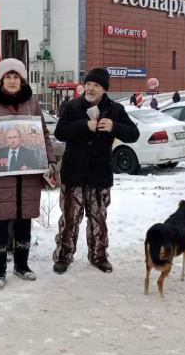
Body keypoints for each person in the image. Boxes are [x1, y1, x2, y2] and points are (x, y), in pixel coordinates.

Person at [0, 58, 56, 290]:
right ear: (1, 80)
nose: (12, 81)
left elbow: (43, 135)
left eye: (15, 76)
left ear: (22, 79)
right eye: (8, 77)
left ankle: (21, 266)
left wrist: (50, 160)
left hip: (27, 171)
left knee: (24, 220)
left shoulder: (31, 102)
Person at [52, 68, 140, 274]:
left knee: (98, 219)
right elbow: (60, 132)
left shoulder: (115, 109)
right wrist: (84, 125)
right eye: (89, 84)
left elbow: (133, 134)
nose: (91, 88)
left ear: (104, 89)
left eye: (96, 85)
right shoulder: (72, 106)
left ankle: (99, 256)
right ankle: (64, 257)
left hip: (100, 175)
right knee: (70, 219)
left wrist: (114, 127)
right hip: (73, 174)